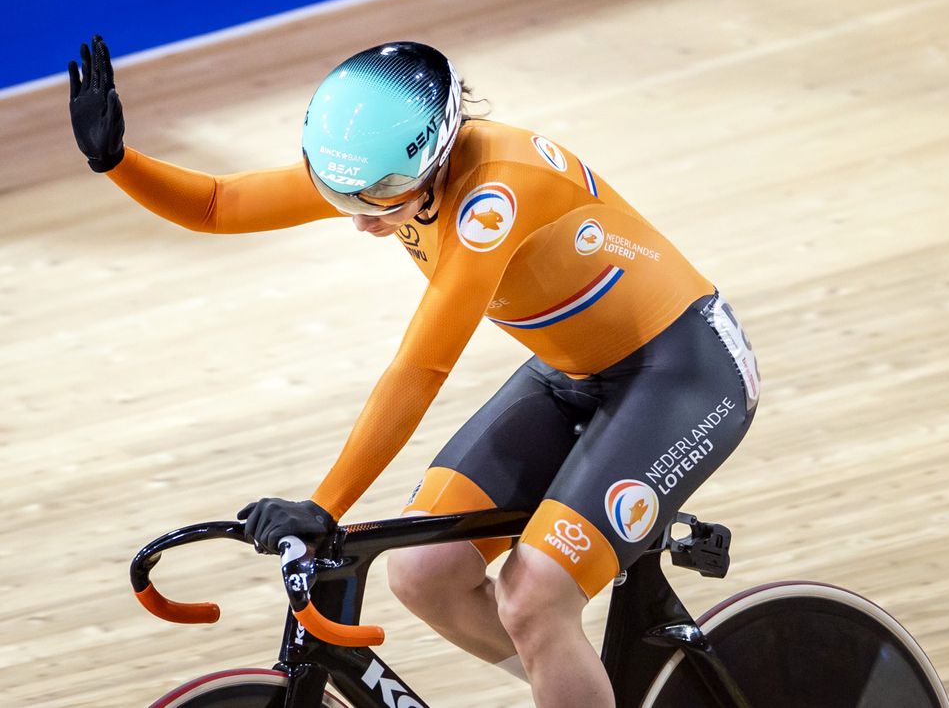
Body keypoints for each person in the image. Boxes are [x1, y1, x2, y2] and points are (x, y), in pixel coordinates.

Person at [69, 35, 760, 707]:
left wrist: (326, 505)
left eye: (381, 202)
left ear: (434, 161)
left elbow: (421, 366)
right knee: (425, 573)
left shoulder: (495, 197)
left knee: (533, 597)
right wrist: (118, 162)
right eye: (347, 200)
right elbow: (223, 203)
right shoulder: (386, 172)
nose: (364, 221)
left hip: (681, 372)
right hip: (572, 368)